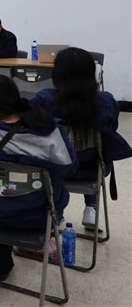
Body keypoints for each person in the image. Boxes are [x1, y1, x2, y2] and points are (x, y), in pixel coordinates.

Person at [0, 75, 76, 282]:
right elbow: (69, 169)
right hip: (39, 219)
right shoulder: (50, 133)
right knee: (32, 190)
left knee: (4, 191)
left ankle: (1, 264)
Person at [30, 47, 132, 229]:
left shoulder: (44, 99)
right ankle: (91, 209)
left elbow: (28, 123)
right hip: (92, 172)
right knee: (94, 154)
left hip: (53, 170)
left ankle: (52, 212)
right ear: (91, 74)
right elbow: (110, 131)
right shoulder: (107, 102)